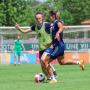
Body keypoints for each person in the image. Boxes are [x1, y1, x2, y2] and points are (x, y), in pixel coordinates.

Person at [41, 11, 85, 83]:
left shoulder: (57, 22)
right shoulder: (53, 24)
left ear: (53, 16)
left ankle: (53, 79)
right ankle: (79, 62)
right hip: (59, 46)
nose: (49, 18)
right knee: (62, 62)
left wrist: (58, 32)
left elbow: (61, 27)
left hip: (58, 46)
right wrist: (50, 43)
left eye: (50, 16)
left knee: (46, 61)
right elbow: (56, 34)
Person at [15, 12, 57, 79]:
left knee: (44, 60)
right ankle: (49, 77)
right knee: (42, 67)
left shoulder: (47, 24)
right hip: (41, 49)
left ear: (42, 18)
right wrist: (19, 28)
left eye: (39, 18)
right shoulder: (35, 27)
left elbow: (56, 26)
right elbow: (25, 31)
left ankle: (53, 77)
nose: (38, 19)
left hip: (49, 47)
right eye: (37, 18)